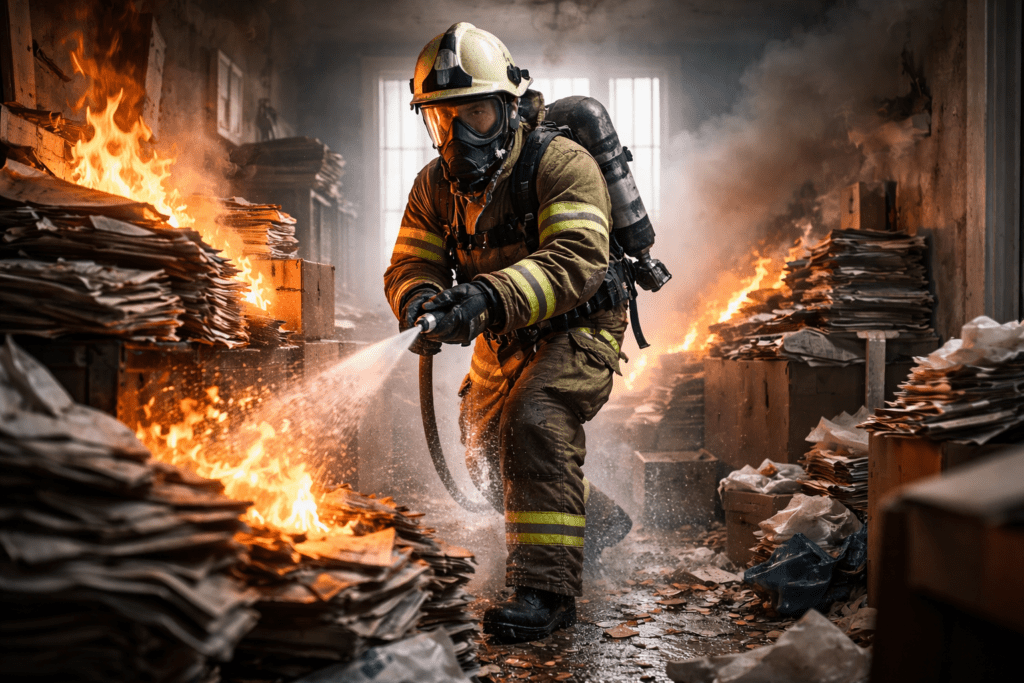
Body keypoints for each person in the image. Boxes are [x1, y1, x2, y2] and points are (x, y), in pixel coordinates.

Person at [383, 22, 632, 644]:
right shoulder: (434, 186)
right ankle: (595, 523)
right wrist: (419, 301)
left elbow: (577, 258)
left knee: (534, 423)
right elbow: (409, 263)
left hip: (579, 325)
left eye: (477, 115)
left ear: (510, 107)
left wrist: (487, 296)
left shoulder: (562, 164)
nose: (460, 135)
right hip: (504, 334)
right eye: (445, 120)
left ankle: (546, 592)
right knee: (485, 451)